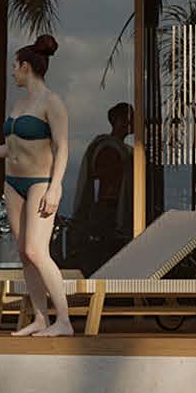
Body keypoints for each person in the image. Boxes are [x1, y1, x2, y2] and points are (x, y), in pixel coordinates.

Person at [0, 34, 73, 336]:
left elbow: (62, 147)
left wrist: (55, 187)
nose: (12, 72)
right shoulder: (20, 103)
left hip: (40, 182)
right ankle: (40, 319)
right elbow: (12, 147)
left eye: (15, 66)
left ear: (26, 67)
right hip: (13, 183)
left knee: (37, 251)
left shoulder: (52, 102)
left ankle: (64, 321)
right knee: (24, 253)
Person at [70, 102, 136, 272]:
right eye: (130, 117)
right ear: (120, 120)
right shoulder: (108, 148)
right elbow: (106, 176)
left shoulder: (125, 150)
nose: (134, 122)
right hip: (109, 209)